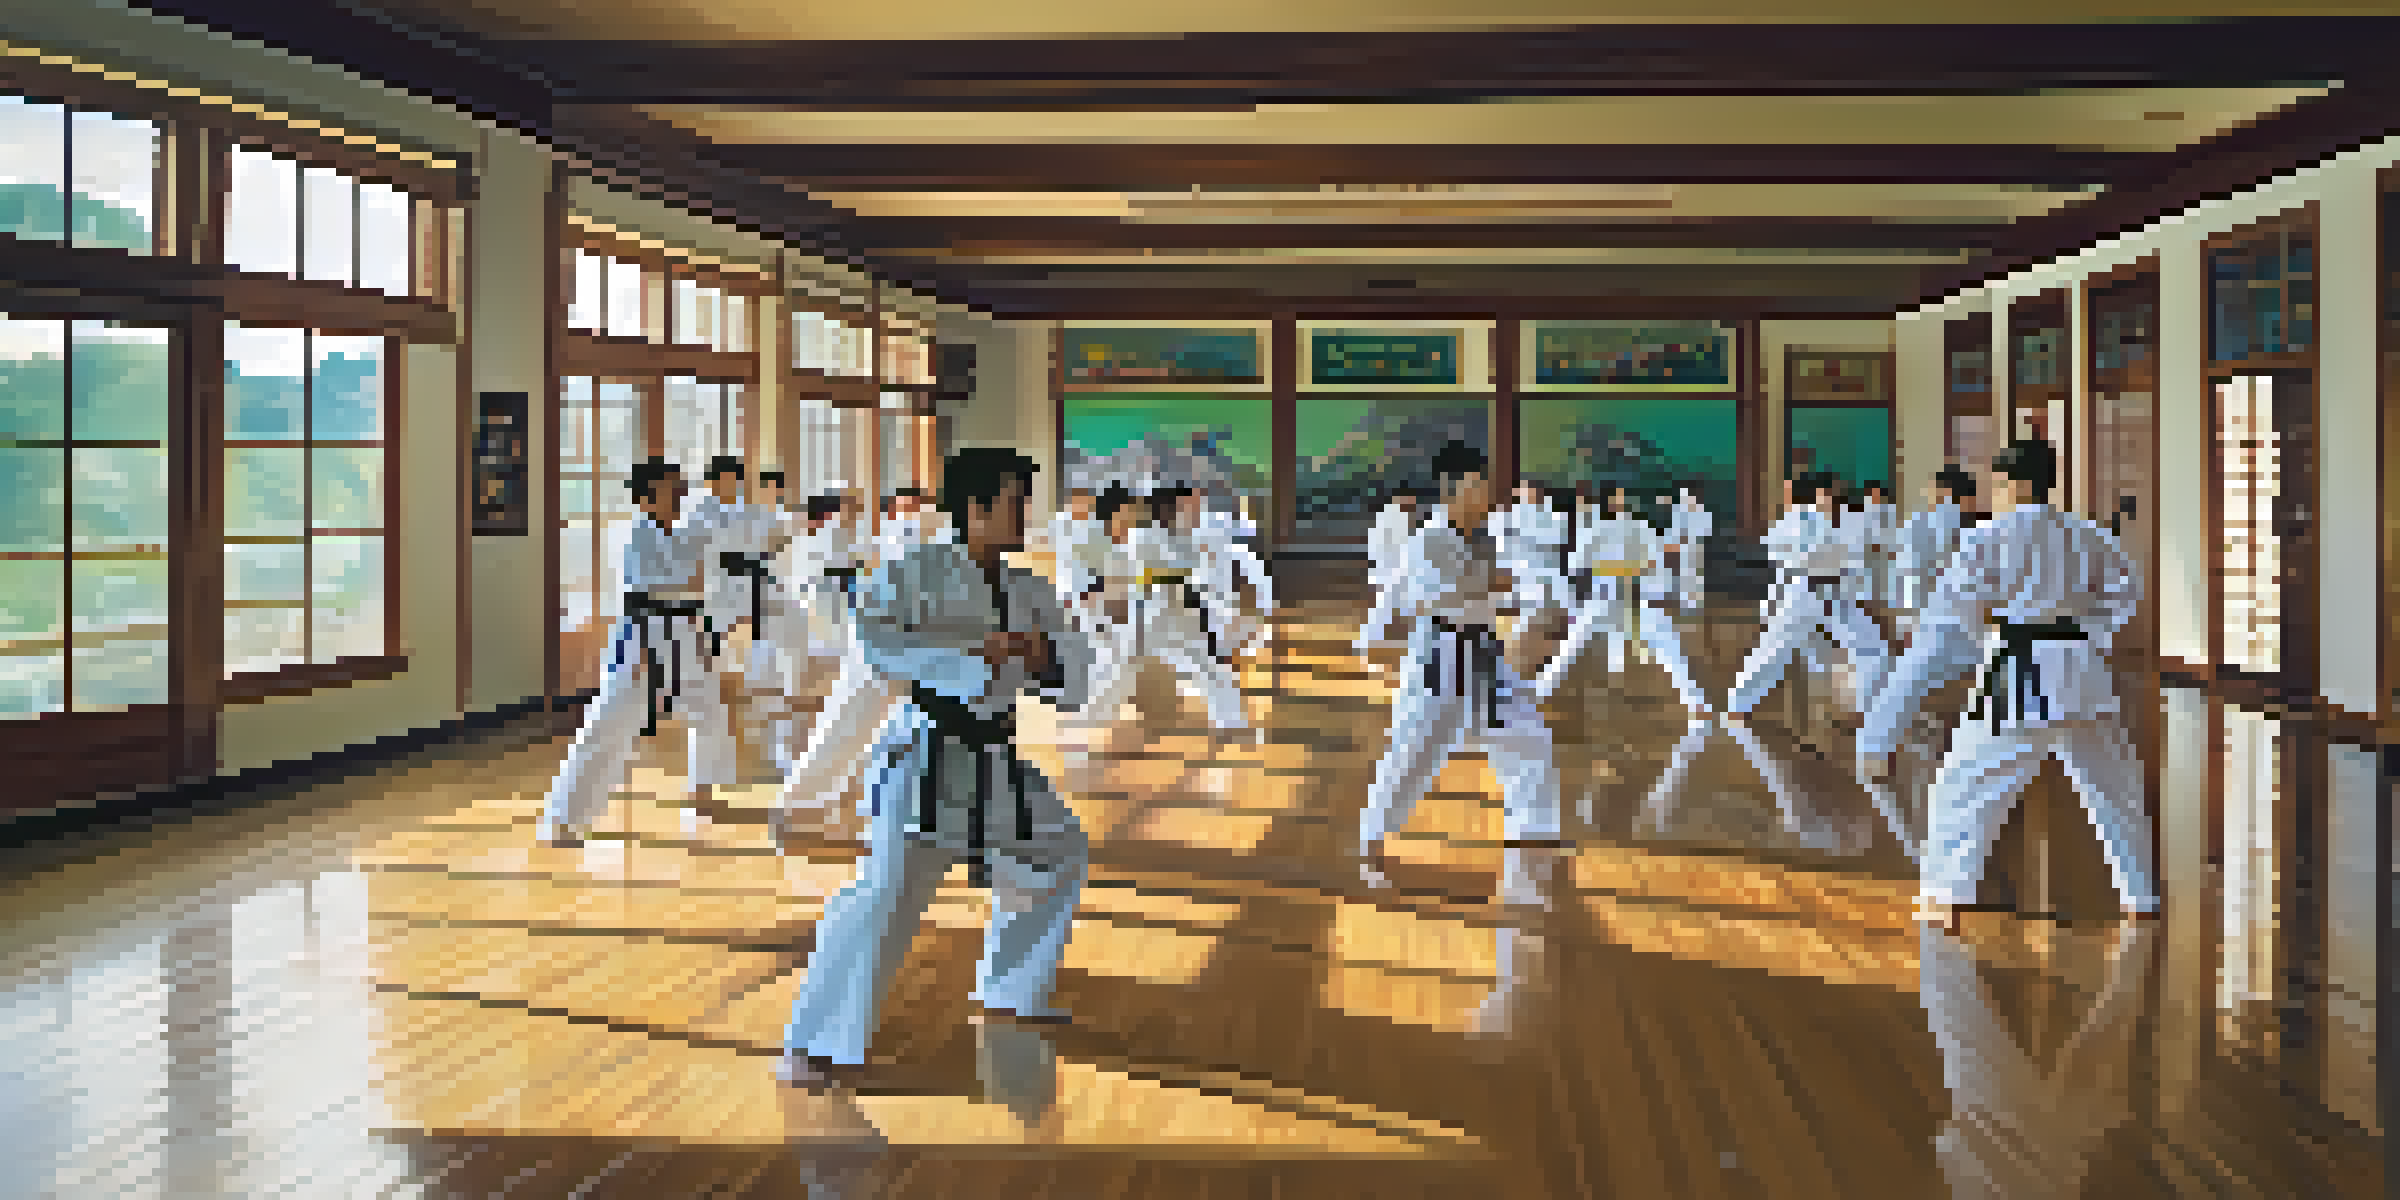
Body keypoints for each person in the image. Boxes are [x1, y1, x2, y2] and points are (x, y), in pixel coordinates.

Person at [779, 448, 1095, 1090]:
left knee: (1059, 849)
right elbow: (873, 640)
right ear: (975, 509)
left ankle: (1011, 988)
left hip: (994, 762)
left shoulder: (1028, 587)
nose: (1023, 514)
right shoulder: (912, 571)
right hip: (925, 756)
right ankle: (811, 1045)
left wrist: (1041, 658)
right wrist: (974, 651)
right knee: (884, 899)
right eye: (1013, 501)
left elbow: (1074, 670)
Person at [1858, 439, 2159, 929]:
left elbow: (1961, 604)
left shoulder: (1987, 537)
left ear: (2016, 484)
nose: (1994, 493)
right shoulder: (2087, 534)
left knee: (1965, 784)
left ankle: (1943, 895)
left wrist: (1990, 639)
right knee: (2116, 791)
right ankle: (2140, 895)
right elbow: (2127, 592)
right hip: (2081, 670)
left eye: (1998, 484)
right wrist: (2090, 634)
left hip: (2018, 665)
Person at [1357, 442, 1562, 881]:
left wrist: (1491, 589)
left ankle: (1535, 830)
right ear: (1461, 487)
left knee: (1527, 734)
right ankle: (1371, 835)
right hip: (1440, 654)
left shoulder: (1484, 536)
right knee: (1414, 749)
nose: (1491, 494)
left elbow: (1497, 588)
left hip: (1484, 650)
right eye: (1484, 484)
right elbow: (1424, 601)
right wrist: (1488, 587)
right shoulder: (1429, 539)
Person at [538, 459, 717, 845]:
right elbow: (649, 593)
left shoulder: (681, 535)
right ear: (650, 495)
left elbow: (696, 589)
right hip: (645, 637)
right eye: (673, 485)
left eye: (682, 483)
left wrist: (699, 635)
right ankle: (561, 819)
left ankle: (704, 791)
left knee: (707, 708)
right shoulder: (636, 533)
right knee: (609, 725)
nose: (682, 490)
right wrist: (640, 652)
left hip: (681, 633)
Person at [1079, 486, 1250, 736]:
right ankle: (1090, 719)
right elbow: (1124, 575)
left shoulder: (1179, 538)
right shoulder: (1145, 537)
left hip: (1174, 610)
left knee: (1203, 666)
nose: (1193, 512)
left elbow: (1198, 575)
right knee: (1121, 667)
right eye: (1186, 506)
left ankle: (1232, 720)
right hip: (1152, 611)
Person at [1725, 472, 1892, 722]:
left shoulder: (1846, 519)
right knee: (1774, 649)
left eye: (1834, 493)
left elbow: (1869, 545)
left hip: (1835, 593)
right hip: (1803, 591)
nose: (1832, 497)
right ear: (1817, 494)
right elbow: (1775, 551)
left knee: (1872, 646)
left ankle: (1868, 706)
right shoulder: (1799, 519)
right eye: (1828, 492)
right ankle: (1738, 704)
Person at [1536, 482, 1709, 713]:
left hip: (1635, 598)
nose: (1622, 503)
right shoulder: (1597, 530)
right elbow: (1576, 564)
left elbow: (1655, 560)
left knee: (1666, 642)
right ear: (1609, 503)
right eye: (1617, 498)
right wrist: (1617, 569)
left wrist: (1638, 569)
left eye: (1625, 498)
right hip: (1604, 597)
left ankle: (1695, 701)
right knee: (1572, 644)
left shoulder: (1639, 527)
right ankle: (1539, 690)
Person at [1892, 466, 1975, 634]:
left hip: (1920, 617)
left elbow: (1906, 573)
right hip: (1955, 618)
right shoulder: (1972, 529)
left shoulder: (1920, 523)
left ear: (1943, 491)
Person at [1358, 488, 1422, 654]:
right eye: (1409, 498)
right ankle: (1365, 642)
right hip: (1388, 573)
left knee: (1401, 609)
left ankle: (1407, 643)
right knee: (1383, 609)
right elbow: (1380, 550)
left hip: (1400, 573)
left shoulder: (1405, 517)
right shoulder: (1388, 517)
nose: (1412, 503)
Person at [1665, 486, 1715, 612]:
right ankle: (1685, 603)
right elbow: (1674, 531)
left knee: (1693, 575)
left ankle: (1692, 604)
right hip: (1682, 549)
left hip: (1694, 548)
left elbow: (1706, 530)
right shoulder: (1679, 509)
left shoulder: (1700, 511)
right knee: (1681, 575)